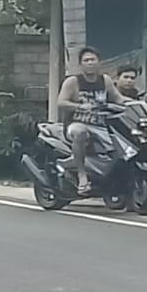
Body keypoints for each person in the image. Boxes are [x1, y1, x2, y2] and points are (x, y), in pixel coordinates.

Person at [58, 46, 128, 195]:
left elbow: (118, 98)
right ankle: (82, 175)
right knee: (80, 132)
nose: (90, 63)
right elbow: (61, 102)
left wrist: (137, 104)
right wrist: (81, 106)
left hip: (101, 126)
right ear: (80, 64)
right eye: (86, 60)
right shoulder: (73, 82)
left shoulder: (105, 80)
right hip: (76, 124)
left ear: (99, 62)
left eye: (92, 59)